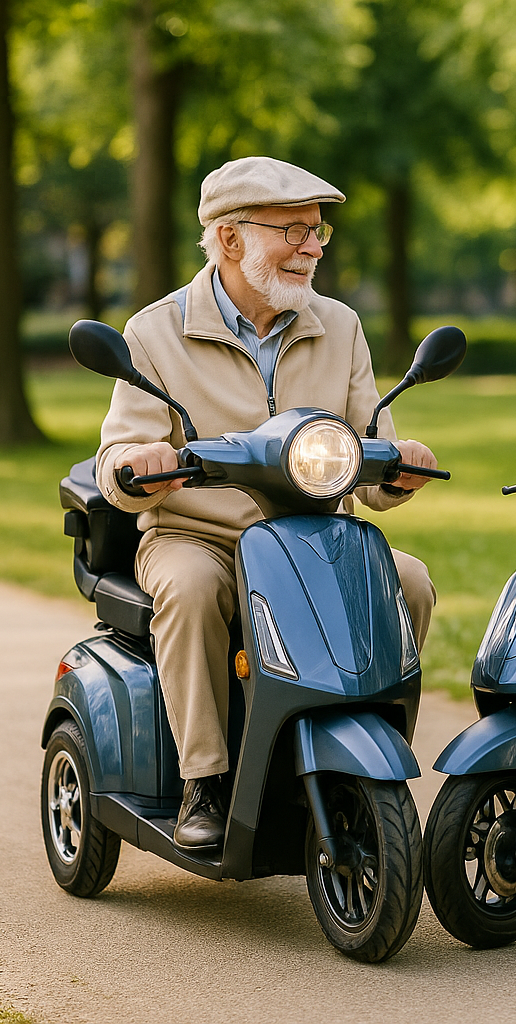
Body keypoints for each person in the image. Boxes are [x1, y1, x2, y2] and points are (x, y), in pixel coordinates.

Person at [96, 156, 438, 850]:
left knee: (410, 582)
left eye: (318, 231)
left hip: (315, 536)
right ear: (229, 239)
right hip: (198, 535)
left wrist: (400, 469)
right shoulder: (153, 332)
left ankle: (361, 754)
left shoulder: (339, 326)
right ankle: (207, 781)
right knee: (190, 594)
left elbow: (371, 464)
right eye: (294, 231)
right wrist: (140, 465)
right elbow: (117, 458)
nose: (313, 247)